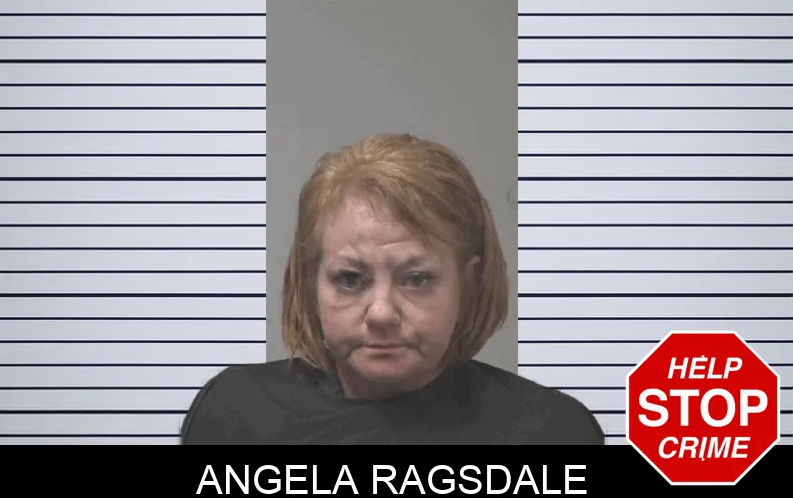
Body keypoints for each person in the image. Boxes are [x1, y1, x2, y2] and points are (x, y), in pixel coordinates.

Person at [181, 133, 604, 445]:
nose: (381, 312)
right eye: (350, 280)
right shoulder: (236, 415)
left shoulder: (551, 433)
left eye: (416, 279)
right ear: (309, 283)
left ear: (470, 285)